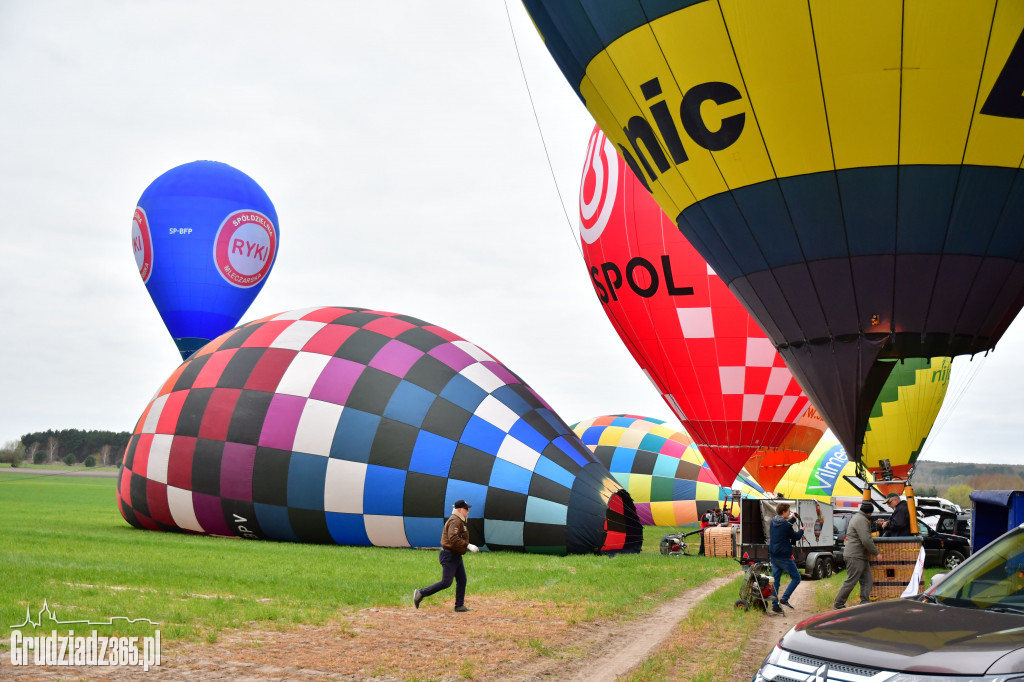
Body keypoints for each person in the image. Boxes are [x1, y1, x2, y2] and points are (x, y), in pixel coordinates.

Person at [413, 499, 479, 612]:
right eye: (466, 509)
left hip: (455, 556)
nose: (468, 511)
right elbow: (453, 539)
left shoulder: (459, 520)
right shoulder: (455, 521)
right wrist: (468, 545)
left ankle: (459, 606)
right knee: (446, 582)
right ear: (459, 510)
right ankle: (421, 593)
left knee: (462, 580)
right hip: (449, 556)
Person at [834, 502, 881, 609]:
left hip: (860, 556)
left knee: (867, 580)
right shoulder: (861, 520)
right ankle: (838, 604)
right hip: (855, 556)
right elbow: (866, 540)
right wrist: (876, 553)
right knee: (851, 580)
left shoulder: (859, 518)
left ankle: (864, 602)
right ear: (869, 513)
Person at [769, 502, 804, 613]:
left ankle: (775, 606)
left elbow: (784, 527)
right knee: (796, 577)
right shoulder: (786, 526)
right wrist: (802, 530)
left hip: (774, 556)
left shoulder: (773, 521)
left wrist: (793, 519)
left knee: (776, 582)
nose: (790, 513)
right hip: (784, 557)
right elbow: (795, 537)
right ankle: (785, 599)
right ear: (783, 512)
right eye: (789, 512)